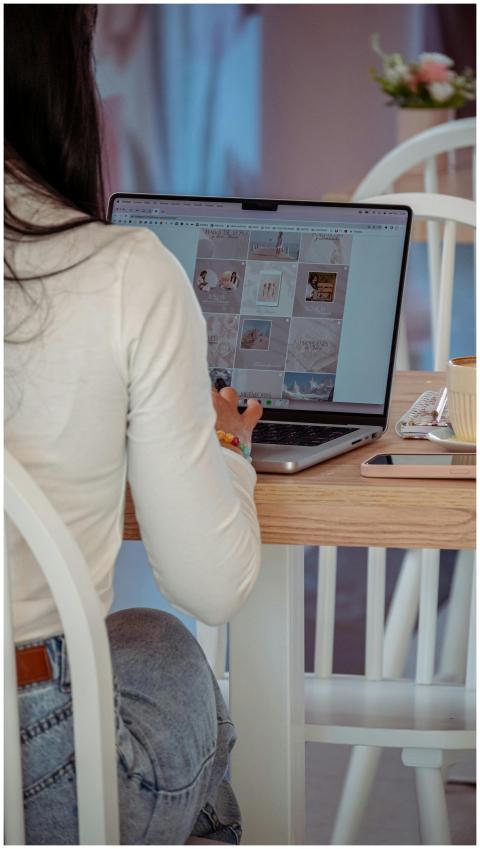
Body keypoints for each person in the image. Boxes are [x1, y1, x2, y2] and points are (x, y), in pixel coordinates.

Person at [5, 6, 262, 845]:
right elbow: (211, 584)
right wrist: (222, 442)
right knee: (163, 645)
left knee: (137, 641)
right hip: (31, 765)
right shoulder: (121, 273)